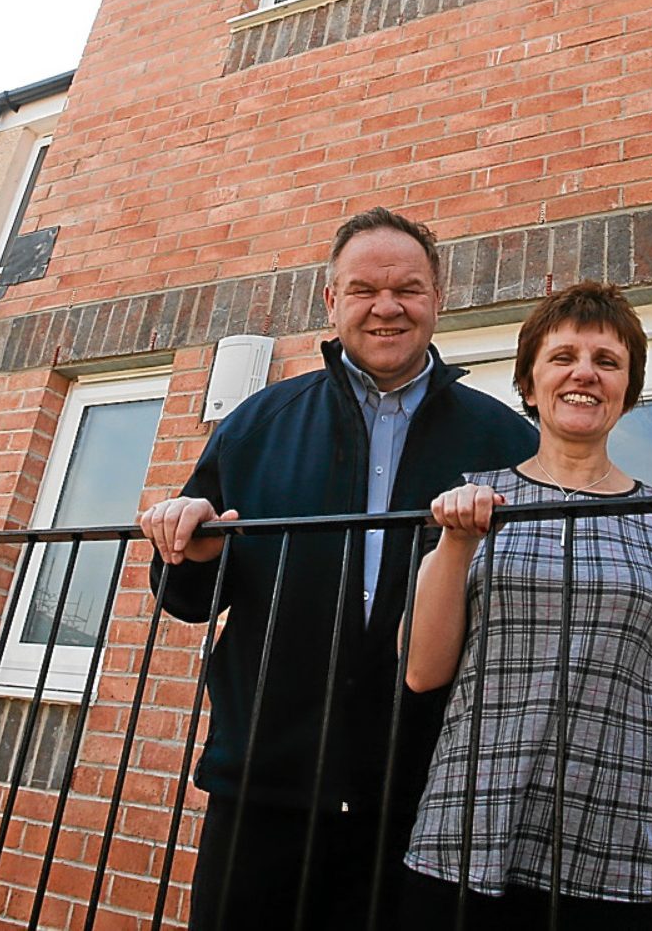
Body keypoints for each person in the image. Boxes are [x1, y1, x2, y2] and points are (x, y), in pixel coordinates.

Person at [140, 207, 538, 929]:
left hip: (427, 793)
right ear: (331, 301)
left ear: (438, 298)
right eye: (363, 290)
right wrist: (190, 552)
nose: (387, 307)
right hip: (266, 783)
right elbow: (190, 593)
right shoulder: (258, 423)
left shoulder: (505, 437)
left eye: (408, 289)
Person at [398, 282, 652, 931]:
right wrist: (456, 543)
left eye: (607, 361)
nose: (584, 374)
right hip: (470, 834)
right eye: (563, 355)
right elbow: (420, 671)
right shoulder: (473, 504)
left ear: (628, 390)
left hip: (628, 850)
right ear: (529, 380)